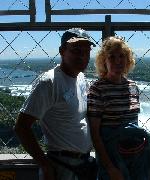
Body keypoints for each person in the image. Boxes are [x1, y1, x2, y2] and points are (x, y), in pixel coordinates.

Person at [14, 28, 96, 180]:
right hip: (61, 166)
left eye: (87, 51)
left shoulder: (81, 78)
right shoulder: (49, 82)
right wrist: (44, 164)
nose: (83, 56)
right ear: (62, 51)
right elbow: (21, 127)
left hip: (83, 164)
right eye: (76, 50)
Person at [87, 36, 150, 180]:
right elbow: (95, 134)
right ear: (104, 61)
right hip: (112, 161)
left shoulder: (132, 86)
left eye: (122, 56)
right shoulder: (98, 89)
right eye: (112, 57)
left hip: (136, 157)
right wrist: (110, 168)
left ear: (128, 59)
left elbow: (133, 124)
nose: (118, 61)